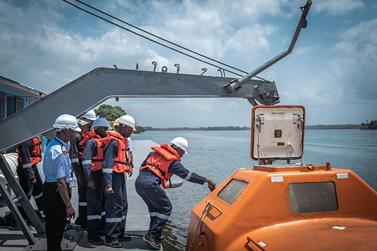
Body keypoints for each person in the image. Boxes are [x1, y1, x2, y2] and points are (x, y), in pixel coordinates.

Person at [135, 137, 216, 250]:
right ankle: (152, 236)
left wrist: (148, 182)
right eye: (182, 152)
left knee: (155, 209)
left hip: (139, 182)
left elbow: (143, 167)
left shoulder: (153, 153)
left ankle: (155, 234)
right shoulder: (172, 162)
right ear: (177, 148)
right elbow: (188, 176)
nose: (182, 155)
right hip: (150, 184)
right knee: (166, 208)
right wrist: (207, 180)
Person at [43, 114, 79, 251]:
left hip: (51, 190)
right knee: (56, 230)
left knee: (53, 229)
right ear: (64, 130)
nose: (75, 134)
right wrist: (69, 206)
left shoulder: (54, 144)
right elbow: (61, 182)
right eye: (73, 131)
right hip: (56, 194)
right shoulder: (59, 152)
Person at [102, 115, 135, 248]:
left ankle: (120, 232)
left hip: (120, 175)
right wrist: (108, 184)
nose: (132, 132)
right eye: (131, 129)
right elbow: (107, 165)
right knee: (114, 207)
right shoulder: (114, 142)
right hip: (114, 176)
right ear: (123, 127)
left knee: (122, 204)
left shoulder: (123, 141)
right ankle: (111, 236)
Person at [82, 117, 110, 245]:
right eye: (104, 128)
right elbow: (86, 163)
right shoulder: (91, 143)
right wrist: (90, 179)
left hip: (101, 175)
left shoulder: (102, 141)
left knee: (102, 204)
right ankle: (92, 235)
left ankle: (101, 230)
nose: (106, 131)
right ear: (97, 128)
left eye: (107, 129)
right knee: (94, 206)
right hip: (94, 175)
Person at [70, 109, 96, 228]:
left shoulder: (91, 133)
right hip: (81, 168)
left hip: (90, 168)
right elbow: (74, 157)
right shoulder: (76, 136)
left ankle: (88, 218)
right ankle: (82, 219)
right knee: (83, 195)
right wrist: (79, 174)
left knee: (89, 194)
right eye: (89, 123)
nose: (91, 125)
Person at [16, 136, 44, 221]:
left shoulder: (33, 139)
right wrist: (32, 177)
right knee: (25, 194)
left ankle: (44, 213)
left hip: (32, 167)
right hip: (26, 171)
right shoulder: (26, 142)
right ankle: (20, 219)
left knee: (39, 191)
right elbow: (25, 161)